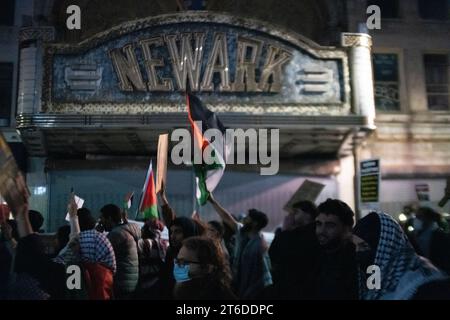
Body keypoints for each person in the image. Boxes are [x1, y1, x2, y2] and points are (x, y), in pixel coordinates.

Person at [353, 211, 450, 300]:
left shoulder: (426, 286)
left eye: (363, 246)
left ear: (386, 245)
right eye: (356, 246)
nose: (358, 252)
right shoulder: (376, 276)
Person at [208, 193, 272, 299]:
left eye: (247, 218)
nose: (244, 219)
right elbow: (226, 218)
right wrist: (212, 201)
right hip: (239, 287)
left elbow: (262, 276)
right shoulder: (242, 233)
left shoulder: (259, 245)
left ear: (254, 223)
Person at [269, 200, 320, 299]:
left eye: (296, 212)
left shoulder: (306, 235)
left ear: (308, 215)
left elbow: (275, 255)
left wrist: (285, 230)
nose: (291, 216)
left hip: (297, 287)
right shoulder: (302, 233)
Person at [313, 198, 358, 300]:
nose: (321, 231)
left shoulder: (355, 259)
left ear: (346, 229)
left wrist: (353, 237)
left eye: (330, 225)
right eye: (319, 224)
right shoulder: (316, 253)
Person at [100, 203, 141, 299]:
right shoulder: (126, 230)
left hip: (121, 285)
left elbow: (100, 254)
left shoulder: (116, 234)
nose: (100, 222)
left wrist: (97, 234)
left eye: (102, 218)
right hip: (130, 283)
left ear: (109, 218)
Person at [135, 218, 168, 299]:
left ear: (148, 230)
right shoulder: (165, 244)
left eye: (144, 228)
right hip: (158, 284)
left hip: (144, 285)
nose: (142, 230)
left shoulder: (145, 243)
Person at [412, 207, 450, 275]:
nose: (416, 220)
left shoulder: (441, 237)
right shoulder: (413, 236)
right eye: (416, 217)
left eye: (419, 217)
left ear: (428, 219)